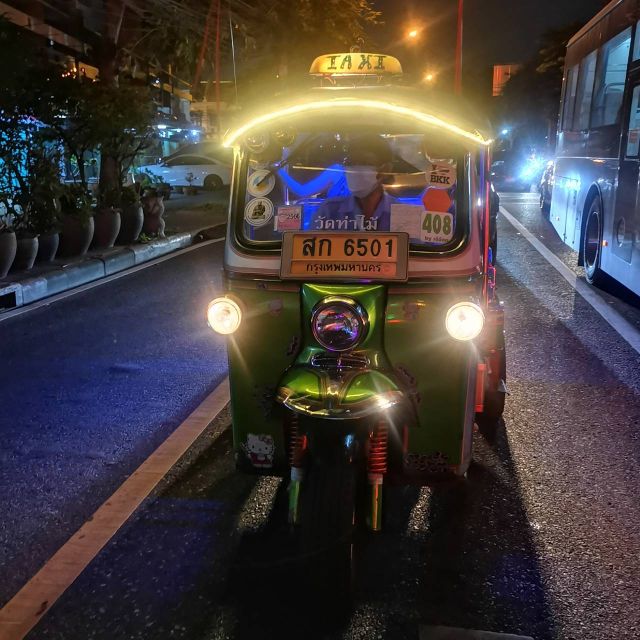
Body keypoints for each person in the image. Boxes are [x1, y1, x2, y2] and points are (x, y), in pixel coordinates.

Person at [310, 134, 397, 231]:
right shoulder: (329, 212)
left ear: (385, 170)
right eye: (350, 163)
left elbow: (413, 245)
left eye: (364, 162)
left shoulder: (402, 214)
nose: (355, 170)